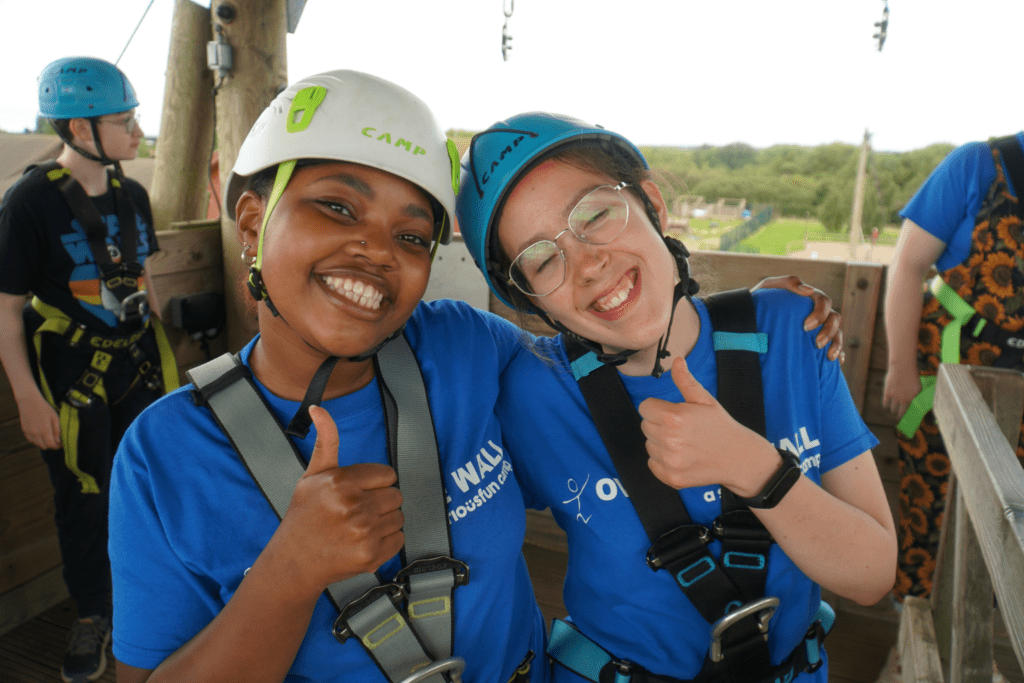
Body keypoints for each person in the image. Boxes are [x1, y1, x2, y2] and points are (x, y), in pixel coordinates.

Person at [107, 69, 547, 683]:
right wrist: (291, 571)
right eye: (338, 207)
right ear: (254, 223)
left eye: (412, 236)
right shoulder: (165, 455)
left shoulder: (464, 346)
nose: (377, 250)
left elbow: (610, 392)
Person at [455, 112, 897, 683]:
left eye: (595, 215)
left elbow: (872, 575)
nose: (588, 265)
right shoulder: (531, 395)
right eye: (541, 260)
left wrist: (751, 466)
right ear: (534, 302)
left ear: (653, 208)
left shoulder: (792, 335)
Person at [0, 56, 177, 683]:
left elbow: (143, 274)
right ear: (80, 129)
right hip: (69, 379)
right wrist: (27, 398)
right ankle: (93, 613)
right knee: (83, 495)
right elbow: (7, 308)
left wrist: (162, 348)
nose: (136, 132)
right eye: (123, 122)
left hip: (136, 365)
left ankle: (157, 594)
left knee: (153, 480)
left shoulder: (132, 195)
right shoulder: (28, 204)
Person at [883, 131, 1024, 604]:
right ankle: (909, 646)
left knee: (1011, 524)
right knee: (929, 508)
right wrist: (900, 367)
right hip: (945, 374)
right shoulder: (980, 165)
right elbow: (908, 265)